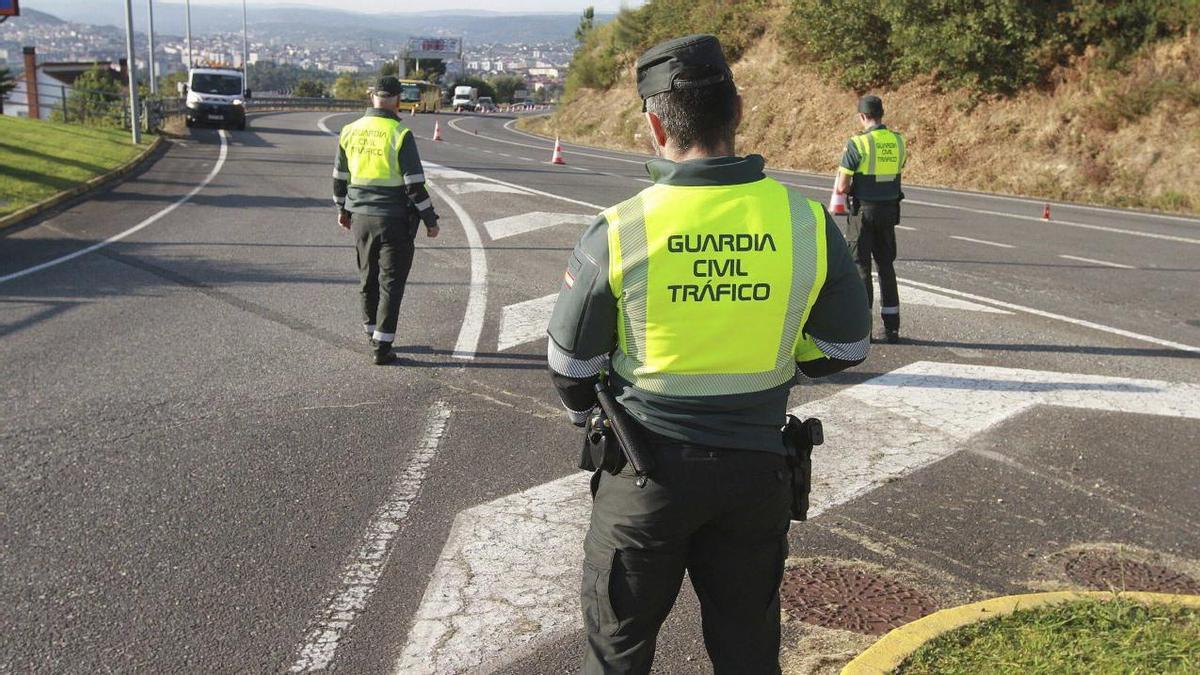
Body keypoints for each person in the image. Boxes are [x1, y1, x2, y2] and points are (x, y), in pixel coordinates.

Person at [546, 34, 871, 674]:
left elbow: (571, 368)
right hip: (756, 476)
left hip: (646, 476)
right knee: (748, 652)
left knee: (618, 654)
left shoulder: (620, 229)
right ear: (738, 110)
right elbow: (845, 346)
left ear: (655, 122)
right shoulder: (806, 222)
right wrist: (779, 355)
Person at [332, 76, 440, 365]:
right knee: (391, 282)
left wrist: (342, 209)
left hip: (361, 218)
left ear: (372, 96)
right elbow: (415, 185)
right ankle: (382, 345)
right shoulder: (399, 133)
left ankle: (371, 334)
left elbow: (340, 178)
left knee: (367, 277)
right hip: (394, 219)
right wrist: (430, 220)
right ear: (397, 99)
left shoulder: (349, 131)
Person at [833, 95, 908, 343]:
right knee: (886, 266)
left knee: (861, 266)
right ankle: (892, 327)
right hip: (889, 212)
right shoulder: (898, 141)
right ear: (882, 113)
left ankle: (864, 328)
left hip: (864, 212)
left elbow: (842, 186)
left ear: (862, 117)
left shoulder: (857, 144)